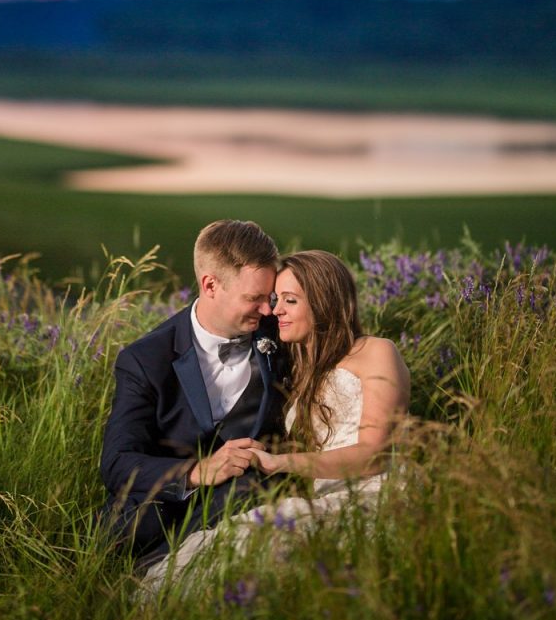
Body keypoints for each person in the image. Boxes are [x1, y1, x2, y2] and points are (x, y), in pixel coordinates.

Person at [141, 249, 410, 592]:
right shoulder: (300, 368)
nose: (275, 310)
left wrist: (278, 463)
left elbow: (375, 454)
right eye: (274, 298)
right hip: (323, 495)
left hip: (375, 494)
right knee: (233, 541)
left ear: (324, 301)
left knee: (263, 544)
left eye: (290, 300)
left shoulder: (375, 351)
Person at [100, 219, 289, 561]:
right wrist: (198, 472)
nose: (268, 310)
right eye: (255, 298)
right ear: (210, 285)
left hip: (243, 497)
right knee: (128, 527)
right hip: (161, 506)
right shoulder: (144, 359)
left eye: (271, 297)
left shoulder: (280, 333)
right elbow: (116, 463)